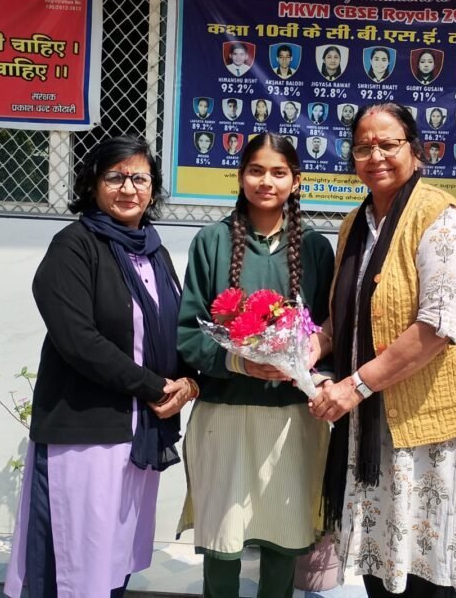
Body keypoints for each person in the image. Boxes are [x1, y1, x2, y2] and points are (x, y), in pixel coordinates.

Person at [307, 102, 456, 597]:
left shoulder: (441, 219)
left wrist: (354, 386)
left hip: (431, 433)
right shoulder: (354, 224)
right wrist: (309, 346)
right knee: (384, 568)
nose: (376, 156)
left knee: (433, 575)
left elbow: (437, 326)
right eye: (363, 147)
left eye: (388, 144)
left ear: (415, 149)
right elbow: (347, 313)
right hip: (374, 432)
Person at [3, 136, 199, 598]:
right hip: (86, 434)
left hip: (139, 435)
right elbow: (79, 340)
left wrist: (190, 383)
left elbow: (176, 328)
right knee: (73, 564)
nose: (128, 188)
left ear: (153, 188)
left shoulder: (153, 251)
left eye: (139, 178)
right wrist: (154, 386)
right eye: (115, 177)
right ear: (92, 184)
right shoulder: (74, 246)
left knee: (113, 559)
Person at [176, 132, 335, 598]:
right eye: (256, 171)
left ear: (296, 181)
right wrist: (241, 363)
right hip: (224, 412)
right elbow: (188, 333)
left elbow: (330, 329)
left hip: (292, 417)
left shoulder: (314, 247)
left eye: (279, 172)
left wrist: (307, 361)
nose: (267, 181)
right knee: (223, 541)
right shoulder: (211, 242)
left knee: (285, 538)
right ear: (240, 176)